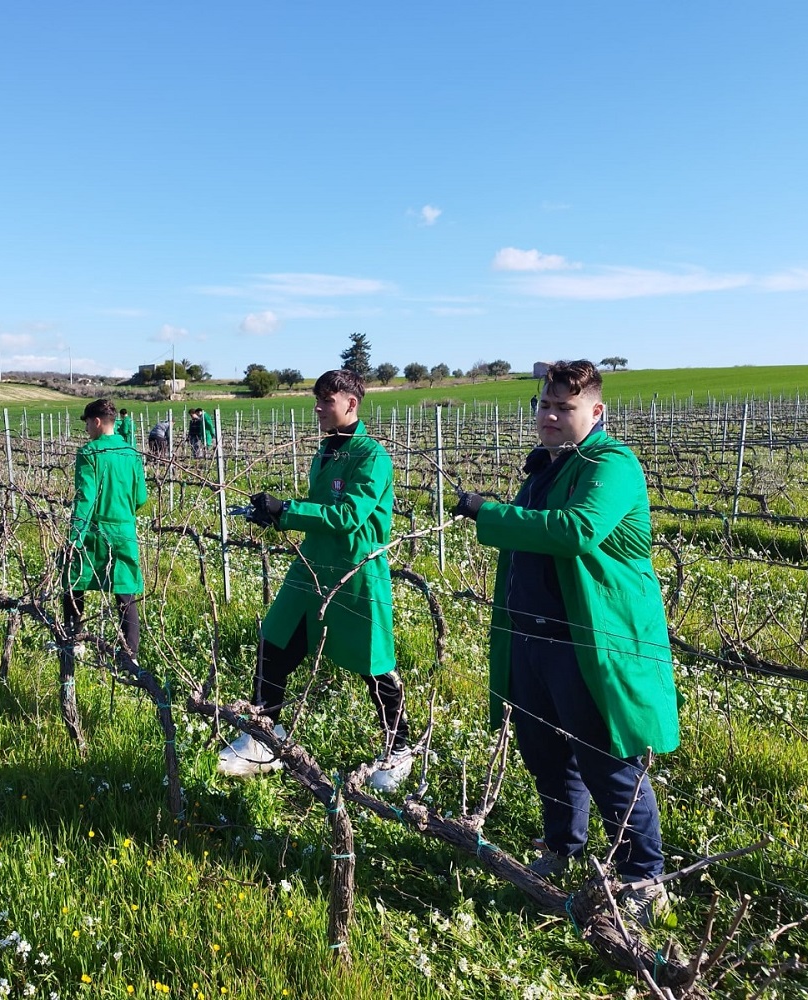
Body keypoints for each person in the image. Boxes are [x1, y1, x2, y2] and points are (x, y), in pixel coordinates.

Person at [454, 359, 679, 926]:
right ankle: (563, 845)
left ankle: (643, 877)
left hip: (591, 640)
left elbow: (578, 531)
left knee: (607, 759)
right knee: (545, 753)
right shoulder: (548, 468)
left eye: (565, 407)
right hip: (533, 635)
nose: (551, 416)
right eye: (545, 406)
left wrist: (491, 511)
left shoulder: (613, 464)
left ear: (596, 412)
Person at [218, 369, 414, 792]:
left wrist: (286, 509)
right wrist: (273, 515)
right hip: (311, 565)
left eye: (327, 400)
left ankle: (399, 750)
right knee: (275, 639)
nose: (319, 408)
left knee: (373, 664)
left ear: (351, 404)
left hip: (354, 571)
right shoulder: (327, 451)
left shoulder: (371, 456)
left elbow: (349, 517)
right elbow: (320, 507)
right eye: (318, 399)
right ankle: (264, 736)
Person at [60, 398, 148, 670]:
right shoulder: (131, 453)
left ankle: (73, 638)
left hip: (95, 530)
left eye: (87, 423)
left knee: (74, 579)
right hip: (124, 529)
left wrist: (74, 537)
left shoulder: (90, 454)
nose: (86, 429)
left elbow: (85, 498)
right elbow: (141, 497)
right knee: (125, 588)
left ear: (97, 421)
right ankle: (130, 653)